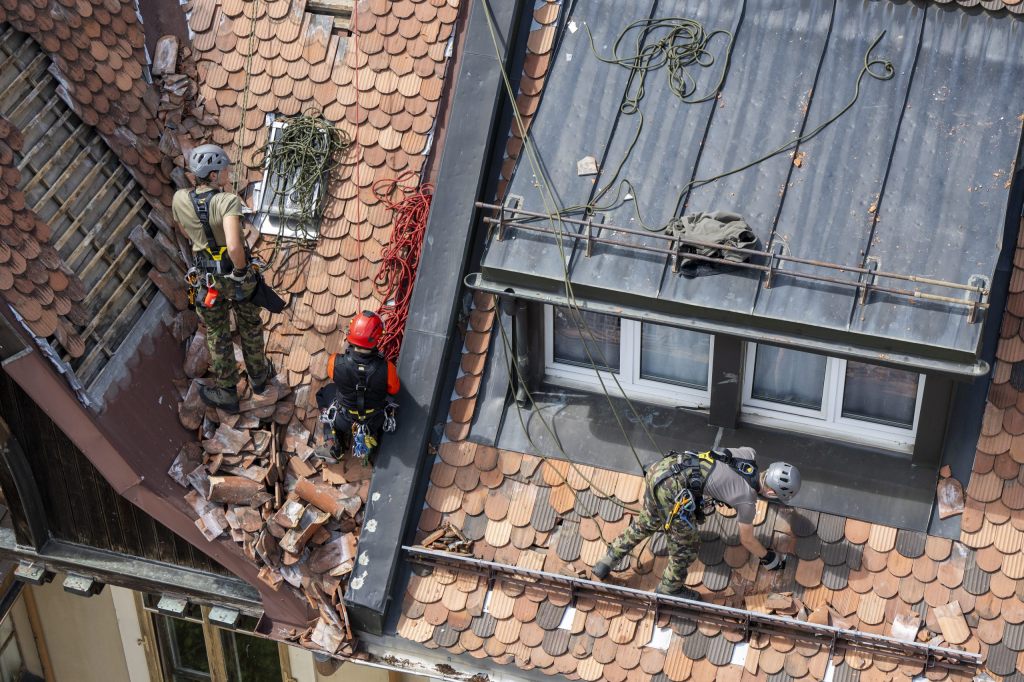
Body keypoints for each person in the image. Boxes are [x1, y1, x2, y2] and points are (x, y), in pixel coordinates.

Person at [592, 447, 801, 600]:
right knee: (686, 547)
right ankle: (669, 588)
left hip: (664, 468)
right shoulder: (746, 501)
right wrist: (769, 558)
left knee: (649, 520)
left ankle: (606, 561)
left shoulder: (748, 454)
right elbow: (747, 540)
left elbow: (722, 471)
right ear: (772, 492)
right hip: (673, 490)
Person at [172, 144, 271, 412]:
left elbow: (184, 230)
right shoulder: (226, 201)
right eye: (224, 169)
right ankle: (260, 378)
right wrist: (240, 271)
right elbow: (234, 246)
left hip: (207, 280)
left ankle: (227, 390)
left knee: (217, 331)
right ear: (213, 175)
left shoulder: (180, 199)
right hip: (233, 273)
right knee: (250, 324)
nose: (228, 172)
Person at [315, 311, 400, 461]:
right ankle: (374, 443)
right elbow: (394, 389)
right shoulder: (388, 369)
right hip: (375, 420)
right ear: (376, 339)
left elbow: (333, 377)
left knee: (325, 392)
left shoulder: (335, 362)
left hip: (344, 419)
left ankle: (334, 443)